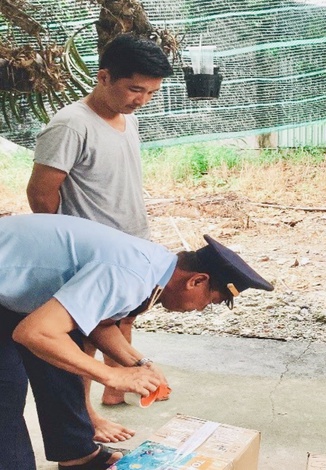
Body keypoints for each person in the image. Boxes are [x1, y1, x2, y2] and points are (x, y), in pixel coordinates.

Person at [0, 213, 274, 470]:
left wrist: (140, 363)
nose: (200, 310)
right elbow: (34, 333)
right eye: (209, 301)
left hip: (13, 292)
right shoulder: (130, 277)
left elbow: (97, 320)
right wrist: (111, 376)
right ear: (197, 281)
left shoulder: (152, 267)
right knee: (7, 393)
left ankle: (78, 456)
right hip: (9, 292)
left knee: (63, 358)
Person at [26, 33, 173, 443]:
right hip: (90, 256)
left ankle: (115, 388)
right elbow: (40, 193)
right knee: (81, 342)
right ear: (104, 76)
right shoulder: (71, 124)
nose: (141, 99)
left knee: (120, 321)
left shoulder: (129, 120)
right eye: (134, 89)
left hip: (130, 245)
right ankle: (87, 418)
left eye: (150, 92)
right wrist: (67, 247)